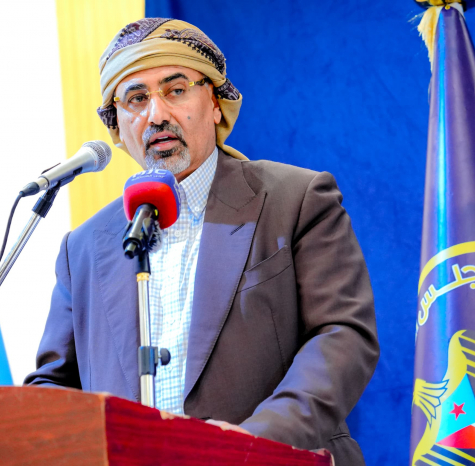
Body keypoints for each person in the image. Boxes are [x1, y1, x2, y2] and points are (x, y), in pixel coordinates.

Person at [25, 18, 379, 465]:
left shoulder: (295, 200)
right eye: (136, 99)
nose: (157, 114)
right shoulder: (84, 249)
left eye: (176, 90)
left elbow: (342, 334)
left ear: (214, 102)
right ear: (117, 126)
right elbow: (54, 388)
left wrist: (253, 442)